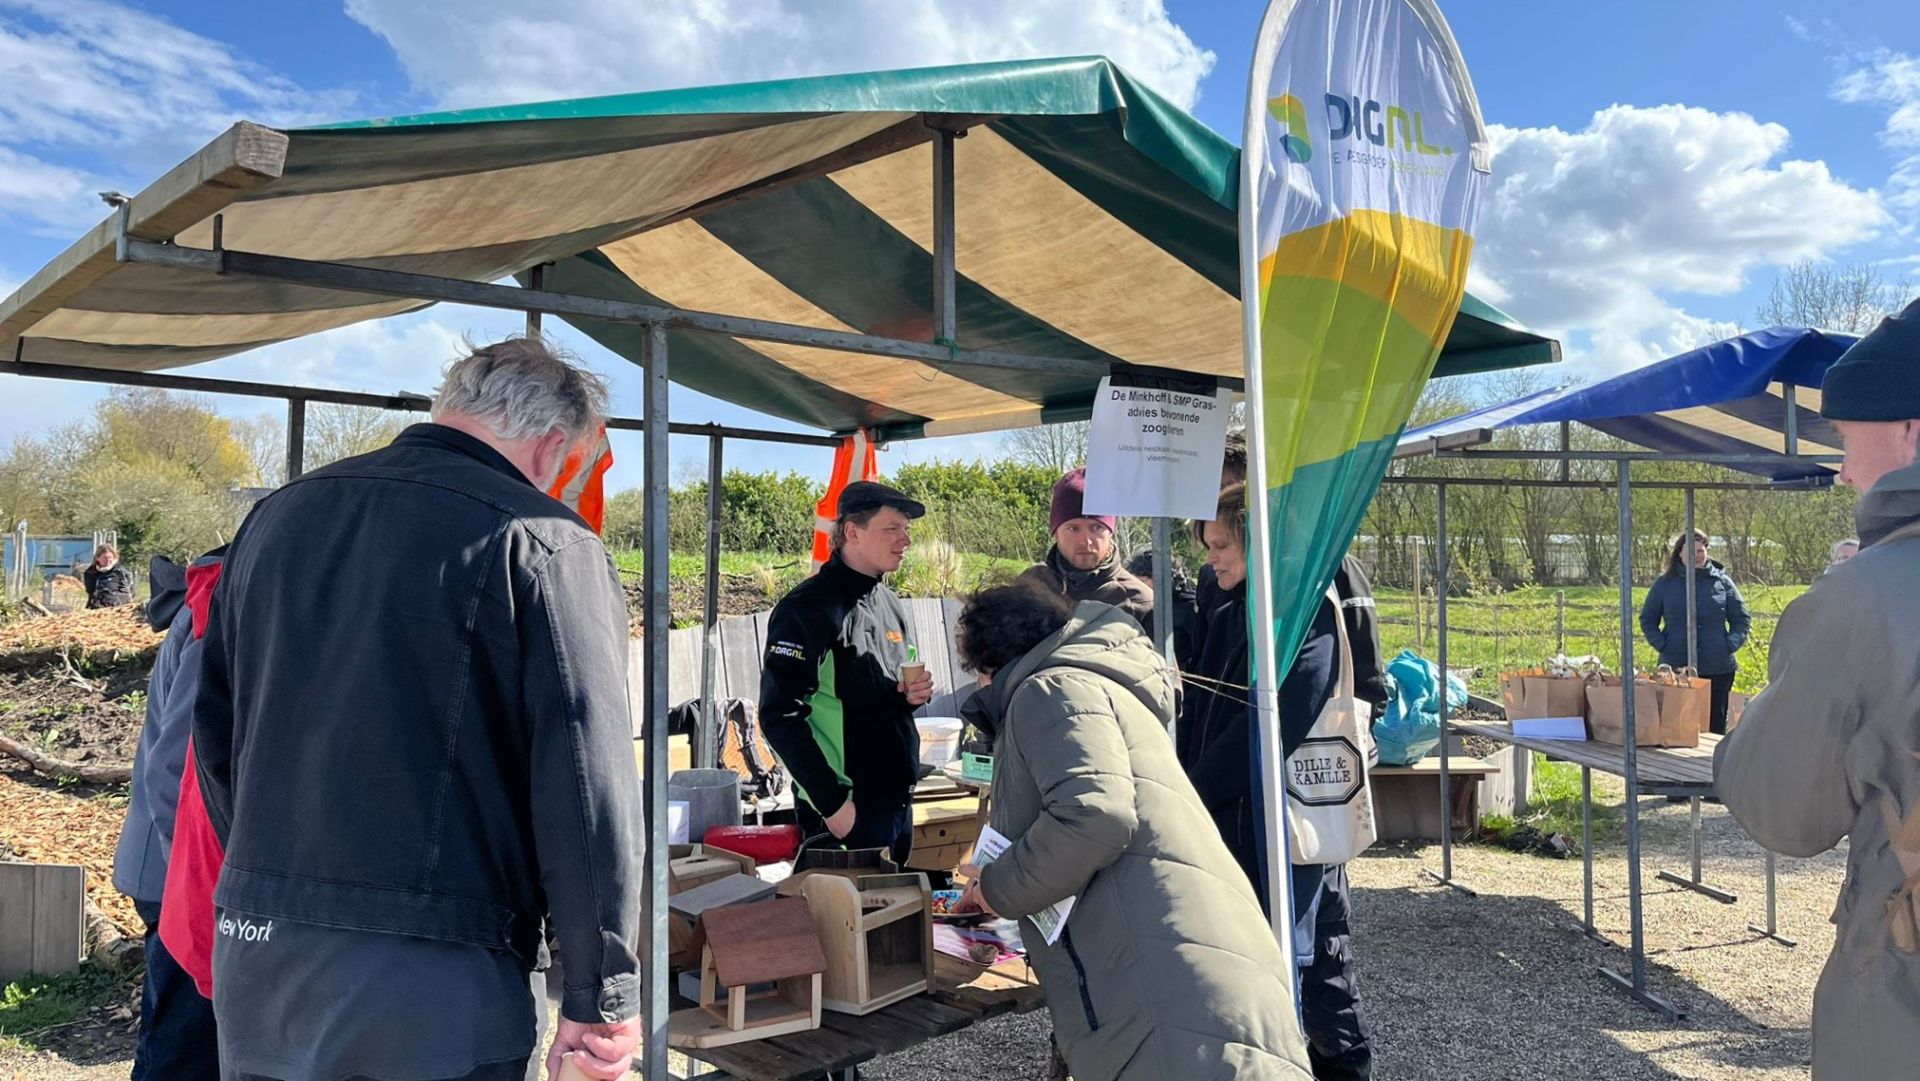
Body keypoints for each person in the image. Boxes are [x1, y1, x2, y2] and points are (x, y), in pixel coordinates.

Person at [191, 338, 644, 1081]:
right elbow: (587, 781)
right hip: (432, 979)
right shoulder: (545, 540)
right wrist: (601, 994)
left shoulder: (274, 520)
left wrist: (265, 884)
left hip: (262, 961)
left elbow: (213, 737)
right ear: (553, 445)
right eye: (572, 469)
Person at [952, 584, 1313, 1081]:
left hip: (1162, 983)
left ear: (991, 661)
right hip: (1179, 959)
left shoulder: (1049, 690)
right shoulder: (1095, 685)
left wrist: (996, 887)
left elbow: (1094, 816)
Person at [1180, 483, 1373, 1081]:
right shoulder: (1237, 602)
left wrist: (1188, 792)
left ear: (1258, 543)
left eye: (1220, 545)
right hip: (1239, 822)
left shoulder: (1302, 613)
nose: (1210, 558)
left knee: (1301, 971)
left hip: (1280, 831)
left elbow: (1268, 730)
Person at [760, 480, 935, 866]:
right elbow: (779, 715)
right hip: (845, 812)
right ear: (852, 531)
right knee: (844, 927)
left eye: (907, 530)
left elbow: (875, 689)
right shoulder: (807, 609)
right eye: (893, 528)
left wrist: (911, 693)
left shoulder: (888, 601)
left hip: (896, 803)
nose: (905, 540)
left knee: (894, 925)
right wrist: (835, 806)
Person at [113, 551, 224, 1080]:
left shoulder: (221, 595)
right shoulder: (221, 606)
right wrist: (196, 887)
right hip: (181, 880)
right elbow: (172, 771)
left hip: (181, 872)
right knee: (180, 1056)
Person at [1017, 467, 1155, 635]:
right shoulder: (1030, 585)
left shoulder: (1140, 603)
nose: (1086, 541)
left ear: (1111, 533)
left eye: (1096, 528)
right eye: (1073, 528)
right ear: (1055, 533)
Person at [1637, 529, 1750, 734]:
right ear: (1679, 554)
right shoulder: (1665, 584)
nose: (1696, 556)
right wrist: (1663, 643)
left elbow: (1741, 619)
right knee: (1676, 726)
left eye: (1700, 550)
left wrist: (1728, 645)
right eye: (1690, 551)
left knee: (1714, 726)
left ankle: (1709, 765)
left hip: (1717, 666)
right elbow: (1647, 619)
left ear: (1707, 551)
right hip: (1676, 666)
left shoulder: (1722, 583)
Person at [84, 543, 134, 608]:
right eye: (104, 558)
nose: (107, 560)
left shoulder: (121, 572)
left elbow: (131, 591)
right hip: (96, 608)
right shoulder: (90, 573)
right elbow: (90, 591)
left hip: (117, 608)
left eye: (110, 557)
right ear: (97, 558)